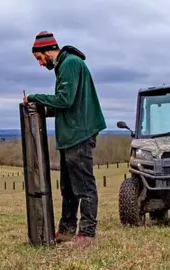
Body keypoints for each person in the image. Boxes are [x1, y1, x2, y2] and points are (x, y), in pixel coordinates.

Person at [22, 31, 107, 248]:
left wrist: (34, 98)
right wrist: (43, 109)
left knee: (84, 186)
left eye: (39, 58)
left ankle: (87, 235)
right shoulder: (64, 66)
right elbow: (66, 105)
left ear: (47, 50)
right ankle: (68, 230)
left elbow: (65, 100)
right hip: (71, 134)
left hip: (79, 133)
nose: (40, 64)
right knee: (68, 188)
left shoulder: (70, 63)